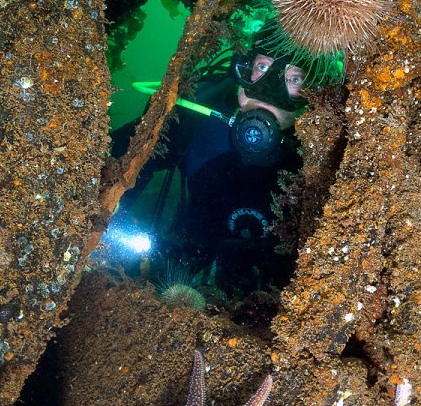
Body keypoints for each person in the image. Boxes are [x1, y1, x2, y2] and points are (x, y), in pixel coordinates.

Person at [109, 30, 307, 298]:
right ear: (244, 68)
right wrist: (116, 243)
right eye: (263, 67)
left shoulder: (320, 154)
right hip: (186, 266)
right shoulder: (194, 116)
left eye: (294, 79)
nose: (269, 90)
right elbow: (114, 164)